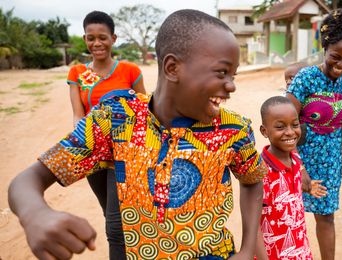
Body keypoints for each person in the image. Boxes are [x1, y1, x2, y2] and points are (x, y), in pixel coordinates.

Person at [8, 9, 267, 259]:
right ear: (172, 68)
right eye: (222, 72)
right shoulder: (118, 119)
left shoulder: (232, 129)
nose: (231, 85)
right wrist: (34, 213)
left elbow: (253, 179)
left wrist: (246, 250)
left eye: (233, 75)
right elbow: (26, 181)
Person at [286, 7, 342, 259]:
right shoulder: (306, 79)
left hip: (330, 159)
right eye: (335, 56)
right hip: (297, 157)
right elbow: (285, 125)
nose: (341, 65)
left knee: (326, 216)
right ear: (325, 48)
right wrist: (299, 170)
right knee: (290, 216)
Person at [66, 10, 146, 259]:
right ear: (85, 39)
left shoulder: (129, 71)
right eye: (91, 38)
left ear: (113, 38)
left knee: (114, 225)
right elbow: (79, 116)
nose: (97, 43)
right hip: (93, 154)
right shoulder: (78, 73)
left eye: (102, 37)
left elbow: (145, 110)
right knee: (110, 214)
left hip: (123, 154)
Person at [254, 96, 327, 259]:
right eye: (280, 127)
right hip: (273, 255)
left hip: (300, 250)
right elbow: (253, 227)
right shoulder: (260, 172)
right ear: (264, 131)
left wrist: (305, 186)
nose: (290, 132)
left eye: (295, 125)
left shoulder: (295, 159)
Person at [284, 62, 342, 152]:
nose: (289, 82)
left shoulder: (312, 89)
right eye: (286, 80)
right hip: (303, 142)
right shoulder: (287, 97)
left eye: (292, 78)